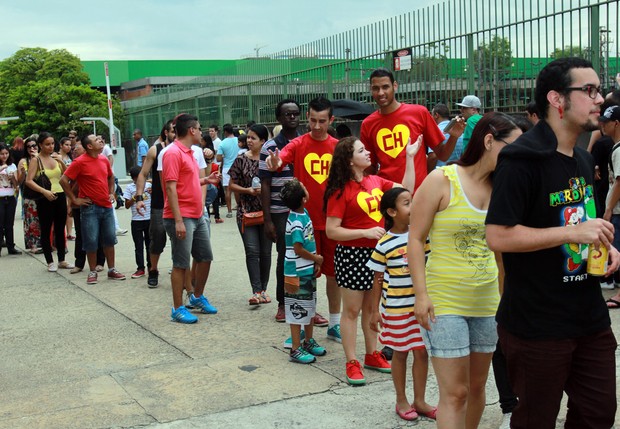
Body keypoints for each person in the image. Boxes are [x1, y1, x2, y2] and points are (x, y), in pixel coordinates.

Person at [486, 57, 618, 429]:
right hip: (536, 325)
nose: (599, 100)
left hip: (588, 316)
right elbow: (497, 234)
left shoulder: (580, 157)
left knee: (598, 414)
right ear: (557, 99)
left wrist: (605, 246)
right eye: (588, 90)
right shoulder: (520, 158)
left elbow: (581, 222)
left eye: (599, 89)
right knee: (534, 420)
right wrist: (571, 234)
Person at [411, 112, 521, 429]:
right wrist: (421, 295)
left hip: (487, 304)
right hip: (444, 302)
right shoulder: (442, 180)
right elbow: (415, 240)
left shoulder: (502, 188)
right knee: (455, 393)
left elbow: (502, 254)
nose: (517, 156)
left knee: (476, 390)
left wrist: (507, 300)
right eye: (512, 147)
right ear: (489, 140)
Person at [324, 135, 418, 385]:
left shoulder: (376, 181)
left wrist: (409, 157)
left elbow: (404, 192)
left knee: (371, 308)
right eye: (361, 150)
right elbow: (332, 230)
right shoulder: (339, 190)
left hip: (377, 255)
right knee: (352, 311)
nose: (367, 153)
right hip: (352, 255)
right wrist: (364, 232)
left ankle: (371, 353)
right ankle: (352, 360)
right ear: (349, 160)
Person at [267, 96, 341, 342]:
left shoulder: (338, 147)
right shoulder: (298, 144)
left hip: (332, 221)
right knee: (301, 278)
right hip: (305, 223)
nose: (316, 126)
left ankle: (334, 323)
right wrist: (275, 161)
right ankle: (296, 330)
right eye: (312, 120)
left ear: (331, 120)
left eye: (322, 121)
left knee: (332, 275)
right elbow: (279, 161)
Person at [366, 187, 436, 421]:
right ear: (391, 212)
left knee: (422, 353)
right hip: (396, 309)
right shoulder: (384, 243)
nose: (413, 206)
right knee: (400, 353)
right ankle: (401, 399)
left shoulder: (423, 234)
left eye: (413, 201)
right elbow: (377, 280)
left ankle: (420, 400)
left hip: (420, 306)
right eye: (407, 203)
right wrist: (374, 311)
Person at [361, 68, 462, 193]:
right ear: (371, 90)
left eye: (385, 87)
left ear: (395, 86)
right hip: (387, 197)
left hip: (418, 195)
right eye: (376, 88)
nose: (381, 93)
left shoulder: (419, 113)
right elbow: (369, 167)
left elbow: (442, 154)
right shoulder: (368, 124)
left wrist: (454, 137)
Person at [159, 113, 219, 323]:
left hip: (196, 214)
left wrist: (206, 180)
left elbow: (189, 181)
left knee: (205, 257)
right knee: (181, 263)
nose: (201, 132)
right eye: (199, 128)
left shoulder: (190, 153)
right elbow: (170, 188)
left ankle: (196, 296)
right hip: (181, 216)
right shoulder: (172, 153)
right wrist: (177, 221)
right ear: (192, 130)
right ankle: (177, 308)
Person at [59, 135, 125, 284]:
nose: (100, 141)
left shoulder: (103, 159)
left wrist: (110, 192)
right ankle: (93, 271)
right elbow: (63, 180)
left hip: (106, 207)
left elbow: (110, 176)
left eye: (101, 139)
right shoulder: (79, 162)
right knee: (91, 241)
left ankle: (111, 269)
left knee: (109, 239)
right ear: (89, 146)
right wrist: (74, 199)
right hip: (90, 208)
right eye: (96, 140)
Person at [259, 99, 302, 322]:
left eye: (295, 114)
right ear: (279, 118)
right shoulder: (270, 147)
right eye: (287, 114)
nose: (292, 117)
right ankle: (283, 303)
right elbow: (265, 184)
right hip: (280, 210)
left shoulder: (306, 142)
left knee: (306, 257)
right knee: (286, 256)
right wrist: (267, 219)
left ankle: (306, 303)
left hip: (305, 210)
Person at [280, 178, 327, 364]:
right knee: (296, 309)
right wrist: (316, 258)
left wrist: (314, 262)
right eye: (304, 188)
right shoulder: (296, 221)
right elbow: (298, 249)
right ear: (303, 199)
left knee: (309, 306)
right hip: (295, 274)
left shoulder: (303, 214)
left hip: (305, 270)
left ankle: (308, 341)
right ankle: (295, 348)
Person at [229, 124, 272, 305]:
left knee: (266, 252)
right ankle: (256, 291)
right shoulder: (240, 160)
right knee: (252, 251)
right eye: (248, 137)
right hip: (246, 213)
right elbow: (231, 184)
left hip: (268, 213)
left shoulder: (269, 161)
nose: (249, 141)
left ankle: (263, 289)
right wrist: (247, 190)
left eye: (253, 138)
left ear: (263, 141)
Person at [135, 120, 175, 287]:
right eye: (173, 130)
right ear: (166, 132)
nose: (176, 134)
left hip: (181, 202)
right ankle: (153, 269)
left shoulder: (186, 150)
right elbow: (143, 174)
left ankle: (180, 270)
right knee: (157, 237)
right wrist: (139, 197)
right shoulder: (155, 150)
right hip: (160, 203)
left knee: (181, 239)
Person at [26, 132, 72, 271]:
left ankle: (62, 259)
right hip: (45, 197)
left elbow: (68, 174)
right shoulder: (36, 160)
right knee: (46, 229)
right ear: (40, 145)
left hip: (60, 194)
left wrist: (61, 161)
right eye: (47, 144)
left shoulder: (56, 158)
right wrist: (44, 191)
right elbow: (28, 181)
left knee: (60, 228)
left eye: (52, 144)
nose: (50, 147)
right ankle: (50, 261)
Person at [67, 140, 105, 274]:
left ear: (86, 149)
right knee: (80, 234)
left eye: (77, 148)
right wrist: (72, 202)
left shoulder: (97, 161)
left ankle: (100, 261)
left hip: (92, 202)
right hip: (79, 204)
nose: (74, 150)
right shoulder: (76, 163)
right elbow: (67, 183)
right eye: (74, 148)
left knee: (97, 234)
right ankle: (79, 263)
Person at [124, 166, 152, 279]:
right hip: (136, 221)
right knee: (138, 246)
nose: (139, 181)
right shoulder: (129, 188)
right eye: (136, 179)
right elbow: (126, 205)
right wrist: (134, 198)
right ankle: (140, 268)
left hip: (149, 219)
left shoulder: (149, 186)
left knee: (150, 245)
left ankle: (152, 266)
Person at [16, 136, 42, 254]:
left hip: (42, 193)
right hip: (29, 195)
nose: (32, 148)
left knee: (43, 219)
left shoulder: (41, 158)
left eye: (34, 146)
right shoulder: (23, 161)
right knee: (31, 220)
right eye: (29, 146)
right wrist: (22, 173)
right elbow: (19, 181)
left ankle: (46, 242)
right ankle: (33, 244)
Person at [0, 144, 21, 256]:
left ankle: (10, 246)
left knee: (9, 223)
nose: (4, 156)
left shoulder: (12, 165)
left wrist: (13, 177)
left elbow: (16, 184)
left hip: (10, 196)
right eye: (2, 154)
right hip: (0, 198)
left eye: (6, 153)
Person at [216, 124, 239, 218]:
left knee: (227, 190)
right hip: (238, 167)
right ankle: (240, 208)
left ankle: (229, 211)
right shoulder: (239, 140)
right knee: (238, 189)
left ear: (225, 132)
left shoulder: (222, 143)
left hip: (226, 168)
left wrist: (224, 156)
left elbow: (218, 158)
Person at [432, 103, 464, 168]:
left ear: (436, 115)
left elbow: (433, 156)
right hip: (457, 172)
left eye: (431, 115)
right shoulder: (460, 131)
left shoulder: (435, 132)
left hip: (439, 173)